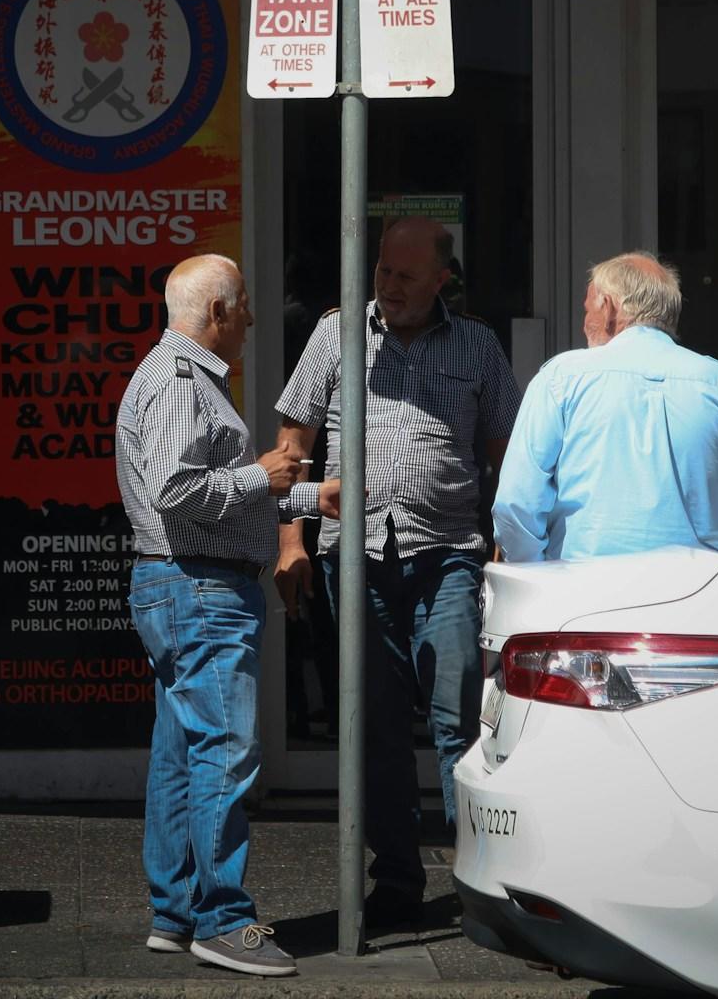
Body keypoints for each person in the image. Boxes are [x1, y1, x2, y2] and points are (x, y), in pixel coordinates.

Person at [273, 216, 520, 930]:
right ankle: (399, 886)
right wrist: (292, 540)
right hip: (356, 556)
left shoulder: (476, 344)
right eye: (383, 271)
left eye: (406, 276)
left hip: (446, 553)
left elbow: (509, 452)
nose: (389, 287)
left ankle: (482, 885)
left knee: (457, 721)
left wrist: (508, 535)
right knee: (374, 726)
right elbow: (294, 444)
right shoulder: (337, 333)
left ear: (444, 278)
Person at [116, 253, 341, 979]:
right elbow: (180, 492)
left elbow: (214, 502)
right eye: (243, 305)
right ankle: (222, 920)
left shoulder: (174, 377)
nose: (250, 318)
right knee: (225, 749)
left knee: (184, 752)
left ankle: (175, 913)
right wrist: (263, 473)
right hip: (200, 591)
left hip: (185, 584)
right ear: (216, 312)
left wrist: (308, 499)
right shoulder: (181, 381)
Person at [492, 252, 718, 563]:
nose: (584, 325)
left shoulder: (562, 378)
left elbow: (517, 505)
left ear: (607, 307)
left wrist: (538, 576)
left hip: (582, 592)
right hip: (697, 593)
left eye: (587, 309)